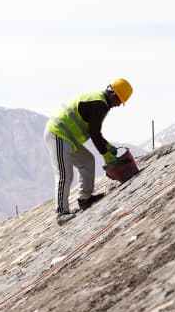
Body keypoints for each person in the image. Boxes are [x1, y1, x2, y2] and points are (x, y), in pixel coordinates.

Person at [43, 78, 132, 224]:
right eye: (119, 101)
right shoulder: (98, 104)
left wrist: (108, 147)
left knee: (87, 160)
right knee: (64, 174)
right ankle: (61, 213)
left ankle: (85, 199)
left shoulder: (100, 102)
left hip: (69, 139)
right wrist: (106, 155)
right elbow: (95, 133)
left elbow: (95, 132)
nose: (117, 105)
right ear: (113, 94)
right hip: (58, 134)